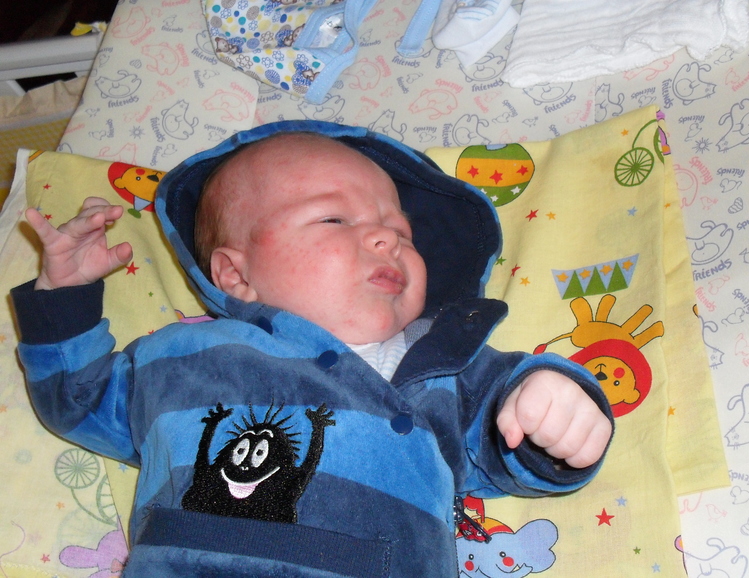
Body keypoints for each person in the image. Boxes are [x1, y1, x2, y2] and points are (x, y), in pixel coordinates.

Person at [12, 121, 613, 577]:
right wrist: (65, 295)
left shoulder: (444, 368)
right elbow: (77, 398)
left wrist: (552, 402)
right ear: (235, 275)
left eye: (401, 232)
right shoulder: (184, 357)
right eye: (332, 220)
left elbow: (511, 450)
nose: (385, 238)